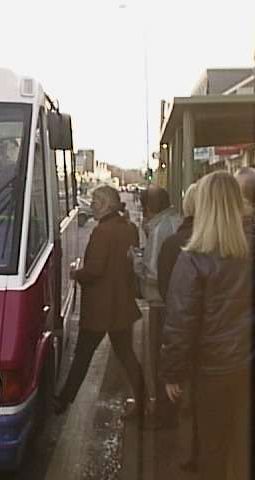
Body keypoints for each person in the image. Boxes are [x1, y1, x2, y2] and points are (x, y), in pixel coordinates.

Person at [161, 171, 253, 480]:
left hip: (211, 371)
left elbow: (180, 322)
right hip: (246, 365)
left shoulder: (194, 260)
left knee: (212, 451)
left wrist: (172, 372)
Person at [54, 186, 144, 418]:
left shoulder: (102, 231)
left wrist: (75, 274)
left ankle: (63, 401)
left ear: (106, 204)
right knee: (127, 356)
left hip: (99, 308)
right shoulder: (128, 228)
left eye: (95, 201)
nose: (91, 204)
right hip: (121, 305)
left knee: (82, 355)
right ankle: (144, 402)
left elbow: (95, 270)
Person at [156, 182, 198, 472]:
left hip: (195, 349)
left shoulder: (178, 245)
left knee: (188, 406)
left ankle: (189, 457)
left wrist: (169, 371)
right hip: (231, 355)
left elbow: (176, 307)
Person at [132, 185, 180, 428]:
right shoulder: (174, 221)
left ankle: (160, 411)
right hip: (175, 301)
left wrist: (136, 261)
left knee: (157, 357)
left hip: (160, 302)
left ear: (149, 207)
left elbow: (153, 273)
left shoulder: (160, 229)